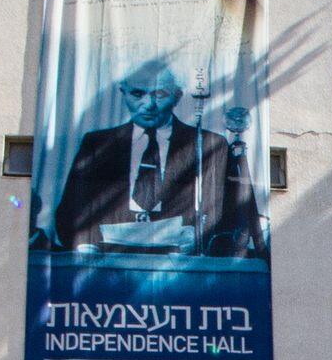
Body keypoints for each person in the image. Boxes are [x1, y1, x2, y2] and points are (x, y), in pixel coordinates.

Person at [44, 57, 259, 255]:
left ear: (176, 96)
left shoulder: (209, 146)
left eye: (160, 94)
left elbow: (235, 217)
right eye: (137, 94)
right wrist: (84, 245)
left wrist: (206, 242)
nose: (148, 105)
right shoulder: (97, 144)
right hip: (108, 266)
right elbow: (68, 215)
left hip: (185, 271)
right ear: (123, 92)